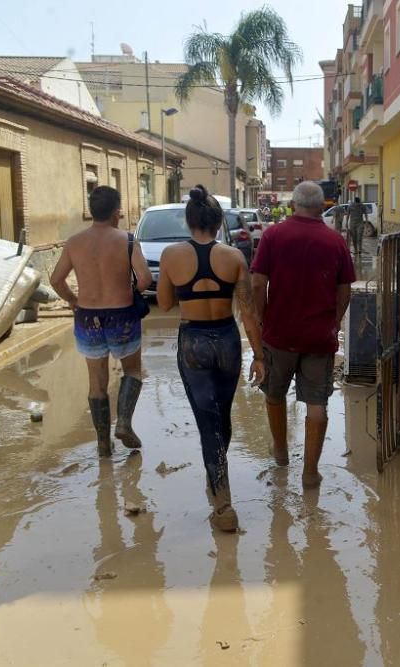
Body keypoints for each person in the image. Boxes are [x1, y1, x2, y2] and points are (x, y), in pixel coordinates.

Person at [156, 184, 264, 532]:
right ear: (219, 224)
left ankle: (223, 505)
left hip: (194, 342)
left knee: (208, 422)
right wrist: (259, 356)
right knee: (220, 417)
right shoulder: (234, 257)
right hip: (228, 342)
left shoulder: (172, 255)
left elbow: (165, 303)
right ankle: (215, 471)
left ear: (189, 222)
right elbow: (248, 314)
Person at [252, 181, 355, 489]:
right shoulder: (335, 241)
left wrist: (263, 317)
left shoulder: (273, 235)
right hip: (319, 337)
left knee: (274, 393)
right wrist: (334, 323)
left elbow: (257, 283)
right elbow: (345, 288)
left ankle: (281, 453)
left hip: (279, 333)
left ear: (294, 204)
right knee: (316, 403)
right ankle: (310, 472)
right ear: (322, 206)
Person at [51, 185, 152, 458]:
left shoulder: (74, 243)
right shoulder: (128, 240)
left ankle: (102, 444)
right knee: (131, 371)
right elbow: (145, 279)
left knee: (96, 383)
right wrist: (129, 292)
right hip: (122, 316)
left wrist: (73, 300)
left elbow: (55, 280)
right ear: (116, 212)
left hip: (87, 317)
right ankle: (125, 423)